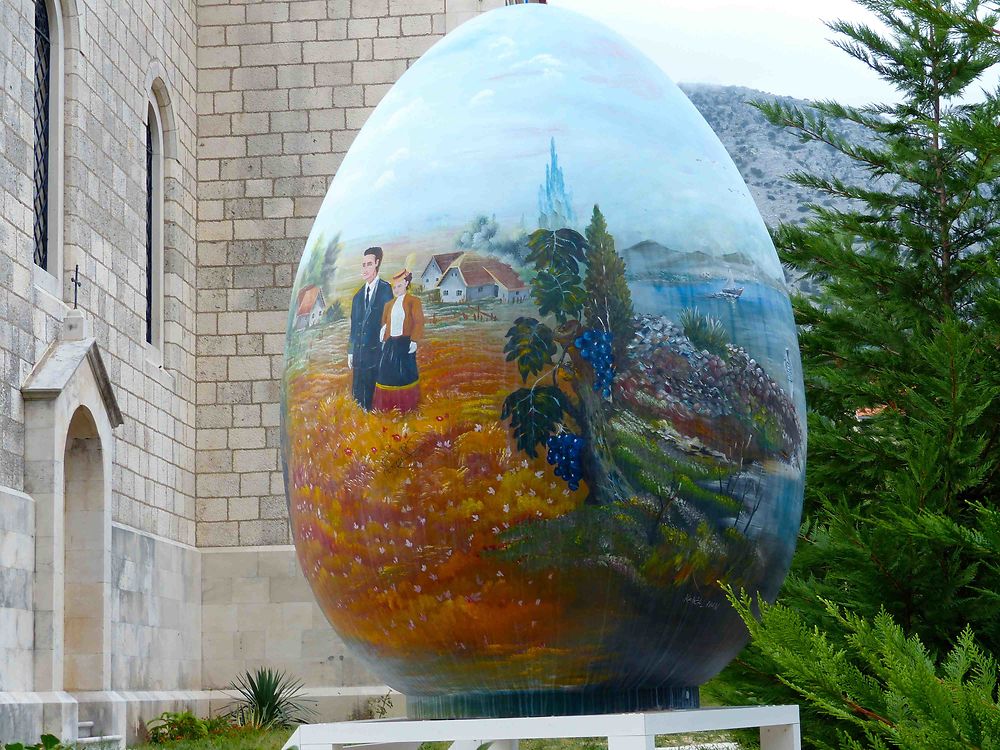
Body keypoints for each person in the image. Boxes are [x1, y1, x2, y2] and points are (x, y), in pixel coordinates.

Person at [372, 269, 424, 413]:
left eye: (399, 286)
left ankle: (407, 407)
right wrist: (383, 334)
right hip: (390, 344)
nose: (396, 290)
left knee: (405, 374)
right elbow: (384, 323)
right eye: (394, 287)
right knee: (386, 374)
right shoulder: (388, 305)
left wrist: (414, 340)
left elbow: (418, 322)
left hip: (405, 343)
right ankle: (387, 407)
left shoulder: (413, 301)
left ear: (406, 284)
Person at [349, 247, 393, 411]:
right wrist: (350, 352)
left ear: (377, 264)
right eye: (363, 265)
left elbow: (389, 320)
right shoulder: (357, 297)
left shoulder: (386, 290)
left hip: (376, 354)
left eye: (368, 264)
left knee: (373, 398)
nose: (365, 269)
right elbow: (354, 328)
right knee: (357, 398)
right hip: (359, 355)